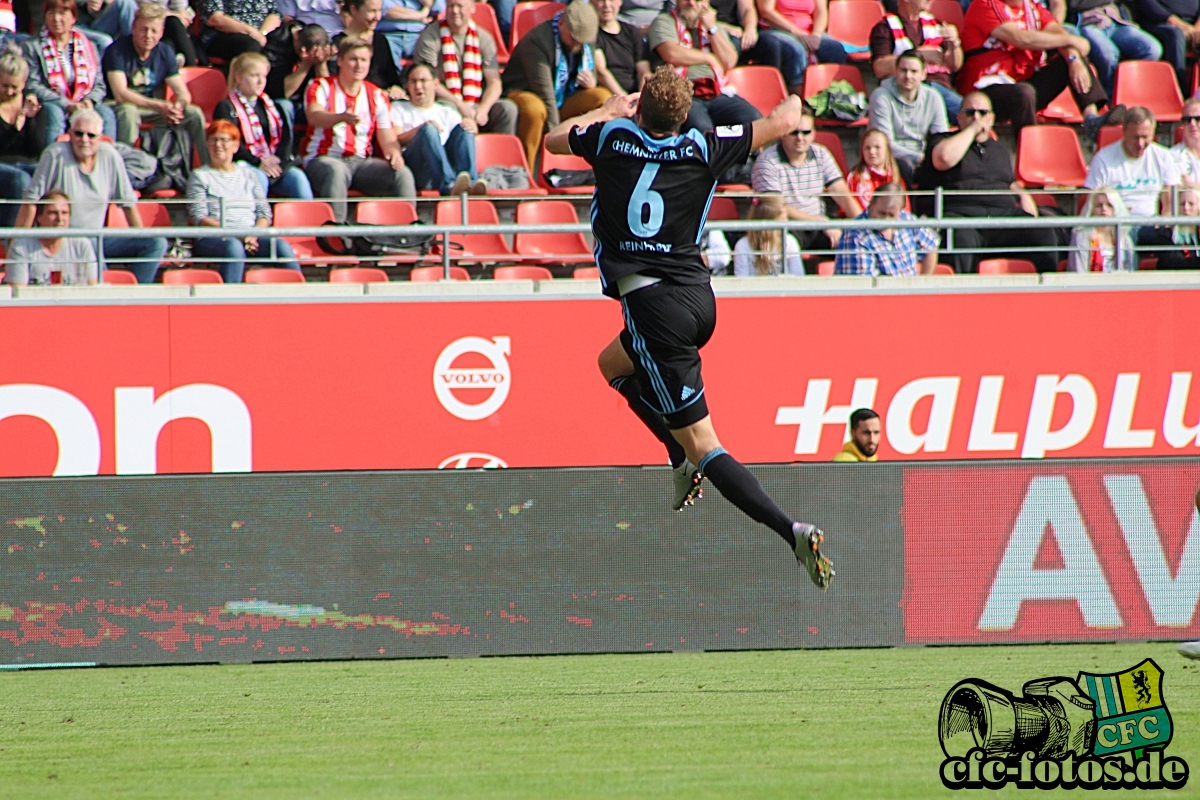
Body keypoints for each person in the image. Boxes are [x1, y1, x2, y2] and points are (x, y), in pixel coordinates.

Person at [545, 66, 834, 589]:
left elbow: (551, 140)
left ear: (639, 111)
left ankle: (789, 528)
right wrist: (771, 90)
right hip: (699, 296)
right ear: (682, 117)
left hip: (654, 307)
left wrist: (609, 108)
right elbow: (786, 117)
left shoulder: (611, 136)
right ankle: (676, 455)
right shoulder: (703, 146)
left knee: (707, 443)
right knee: (612, 363)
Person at [914, 91, 1059, 272]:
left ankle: (1044, 294)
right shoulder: (943, 140)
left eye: (982, 113)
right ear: (959, 118)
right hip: (961, 217)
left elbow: (1007, 180)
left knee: (1042, 232)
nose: (976, 117)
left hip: (1001, 218)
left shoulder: (999, 150)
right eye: (970, 113)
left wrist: (1023, 195)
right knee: (959, 238)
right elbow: (943, 159)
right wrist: (972, 130)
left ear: (991, 119)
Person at [19, 109, 168, 282]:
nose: (84, 140)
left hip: (99, 236)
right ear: (69, 134)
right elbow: (31, 202)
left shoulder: (110, 156)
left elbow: (127, 204)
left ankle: (133, 293)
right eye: (79, 134)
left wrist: (140, 235)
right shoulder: (54, 154)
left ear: (101, 138)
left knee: (156, 243)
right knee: (88, 245)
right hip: (63, 237)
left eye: (91, 135)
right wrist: (19, 243)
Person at [958, 0, 1119, 136]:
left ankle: (1091, 120)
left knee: (1070, 59)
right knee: (1023, 92)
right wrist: (1071, 41)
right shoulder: (985, 4)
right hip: (987, 89)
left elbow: (1060, 35)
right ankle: (1029, 150)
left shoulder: (1033, 8)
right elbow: (1021, 39)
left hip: (1025, 81)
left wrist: (1073, 57)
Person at [300, 37, 415, 223]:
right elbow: (314, 116)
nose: (359, 65)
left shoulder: (376, 95)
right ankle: (334, 234)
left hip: (360, 162)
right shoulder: (320, 86)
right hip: (324, 159)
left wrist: (394, 154)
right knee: (336, 172)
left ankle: (407, 234)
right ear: (340, 61)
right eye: (353, 59)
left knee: (402, 174)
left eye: (364, 60)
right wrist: (340, 118)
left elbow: (387, 137)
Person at [187, 120, 301, 283]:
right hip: (214, 237)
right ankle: (231, 300)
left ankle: (300, 296)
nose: (218, 145)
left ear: (235, 146)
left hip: (250, 236)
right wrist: (238, 235)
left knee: (280, 246)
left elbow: (264, 213)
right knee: (233, 247)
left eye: (224, 140)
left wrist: (253, 234)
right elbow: (199, 217)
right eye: (213, 140)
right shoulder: (199, 176)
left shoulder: (249, 175)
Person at [504, 1, 611, 169]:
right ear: (561, 24)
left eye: (582, 42)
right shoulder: (537, 42)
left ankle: (593, 168)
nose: (578, 45)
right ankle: (528, 173)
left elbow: (588, 72)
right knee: (535, 108)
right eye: (574, 39)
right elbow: (545, 95)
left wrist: (591, 83)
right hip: (524, 92)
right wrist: (557, 139)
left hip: (563, 97)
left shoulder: (585, 38)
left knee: (601, 97)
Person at [102, 3, 208, 161]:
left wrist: (179, 106)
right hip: (117, 105)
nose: (148, 35)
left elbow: (182, 91)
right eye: (144, 29)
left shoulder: (164, 51)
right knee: (128, 111)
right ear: (134, 28)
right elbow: (121, 94)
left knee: (193, 114)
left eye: (154, 31)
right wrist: (159, 105)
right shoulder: (117, 51)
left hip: (150, 108)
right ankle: (126, 167)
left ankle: (205, 166)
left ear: (161, 32)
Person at [751, 107, 861, 250]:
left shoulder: (821, 153)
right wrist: (822, 222)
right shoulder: (766, 162)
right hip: (786, 225)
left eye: (806, 132)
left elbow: (841, 193)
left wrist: (863, 225)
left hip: (818, 226)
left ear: (813, 134)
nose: (800, 138)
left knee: (853, 244)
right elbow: (776, 207)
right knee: (787, 246)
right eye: (794, 132)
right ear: (782, 133)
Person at [648, 0, 761, 133]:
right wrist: (709, 58)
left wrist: (712, 29)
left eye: (697, 0)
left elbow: (729, 61)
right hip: (682, 93)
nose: (691, 3)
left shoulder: (714, 27)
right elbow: (672, 54)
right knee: (701, 128)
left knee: (753, 119)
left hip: (716, 92)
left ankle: (735, 152)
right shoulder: (664, 21)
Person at [412, 0, 518, 137]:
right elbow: (429, 81)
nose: (455, 11)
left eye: (460, 6)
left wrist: (483, 109)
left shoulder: (484, 38)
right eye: (451, 6)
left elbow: (494, 82)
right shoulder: (430, 37)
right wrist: (461, 105)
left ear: (472, 8)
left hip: (476, 102)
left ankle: (502, 155)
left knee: (507, 109)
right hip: (446, 100)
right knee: (448, 110)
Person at [214, 52, 312, 199]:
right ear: (239, 77)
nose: (260, 81)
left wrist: (278, 158)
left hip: (272, 164)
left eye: (264, 76)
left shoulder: (272, 106)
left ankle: (311, 221)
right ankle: (260, 220)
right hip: (245, 164)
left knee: (297, 177)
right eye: (254, 76)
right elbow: (232, 144)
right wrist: (259, 162)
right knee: (258, 178)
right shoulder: (226, 107)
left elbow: (285, 137)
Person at [24, 0, 118, 148]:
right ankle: (53, 161)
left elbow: (99, 84)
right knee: (53, 112)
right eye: (51, 13)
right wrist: (67, 104)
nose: (56, 19)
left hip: (84, 102)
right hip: (55, 103)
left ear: (73, 18)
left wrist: (90, 101)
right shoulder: (33, 47)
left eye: (62, 13)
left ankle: (108, 161)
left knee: (105, 112)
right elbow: (33, 85)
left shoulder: (89, 46)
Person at [1084, 106, 1181, 244]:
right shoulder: (1104, 159)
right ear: (1124, 132)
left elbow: (1169, 205)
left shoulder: (1163, 156)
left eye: (1145, 137)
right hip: (1116, 224)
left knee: (1170, 238)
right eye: (1135, 137)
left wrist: (1164, 221)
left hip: (1151, 225)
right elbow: (1092, 201)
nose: (1140, 144)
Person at [392, 62, 482, 194]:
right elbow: (396, 139)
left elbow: (464, 138)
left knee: (465, 128)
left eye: (423, 81)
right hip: (417, 166)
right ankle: (448, 184)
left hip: (446, 160)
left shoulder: (447, 111)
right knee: (428, 131)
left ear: (435, 84)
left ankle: (471, 184)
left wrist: (472, 126)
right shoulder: (398, 108)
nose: (418, 86)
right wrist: (421, 129)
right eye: (413, 82)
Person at [869, 0, 963, 116]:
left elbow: (955, 65)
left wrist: (954, 44)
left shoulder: (936, 24)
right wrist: (919, 55)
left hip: (939, 86)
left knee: (974, 113)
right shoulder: (885, 27)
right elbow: (879, 68)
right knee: (969, 115)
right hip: (907, 88)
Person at [867, 51, 948, 183]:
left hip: (922, 157)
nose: (908, 76)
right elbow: (884, 144)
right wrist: (918, 157)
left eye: (914, 71)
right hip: (892, 158)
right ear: (895, 72)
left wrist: (929, 158)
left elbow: (940, 138)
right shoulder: (881, 96)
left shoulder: (934, 97)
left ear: (923, 75)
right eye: (903, 70)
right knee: (903, 166)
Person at [834, 183, 938, 275]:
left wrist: (923, 282)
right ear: (871, 204)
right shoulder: (856, 236)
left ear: (900, 212)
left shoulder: (907, 220)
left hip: (909, 294)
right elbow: (865, 288)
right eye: (882, 213)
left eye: (891, 215)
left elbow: (931, 245)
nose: (886, 219)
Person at [1067, 0, 1162, 96]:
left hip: (1116, 22)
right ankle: (1110, 97)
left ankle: (1128, 92)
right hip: (1089, 24)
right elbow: (1074, 4)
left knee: (1152, 49)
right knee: (1108, 54)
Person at [4, 189, 98, 284]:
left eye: (64, 213)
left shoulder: (82, 245)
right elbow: (17, 292)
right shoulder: (21, 246)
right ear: (39, 217)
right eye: (53, 213)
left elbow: (92, 289)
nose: (60, 219)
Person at [0, 44, 46, 228]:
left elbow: (36, 149)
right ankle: (13, 237)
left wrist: (30, 119)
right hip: (3, 163)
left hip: (26, 163)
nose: (9, 92)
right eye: (4, 86)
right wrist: (15, 129)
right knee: (20, 180)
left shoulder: (34, 105)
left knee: (42, 174)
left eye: (15, 87)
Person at [265, 22, 333, 124]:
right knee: (285, 105)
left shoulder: (326, 49)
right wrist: (306, 64)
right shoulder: (277, 43)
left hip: (309, 103)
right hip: (286, 104)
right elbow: (284, 93)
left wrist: (321, 63)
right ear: (297, 38)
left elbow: (328, 95)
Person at [755, 0, 847, 72]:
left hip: (808, 31)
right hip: (778, 29)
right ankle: (797, 91)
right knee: (796, 49)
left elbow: (821, 12)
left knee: (834, 48)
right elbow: (766, 11)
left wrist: (816, 34)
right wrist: (797, 33)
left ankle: (832, 91)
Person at [334, 0, 403, 95]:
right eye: (372, 11)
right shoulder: (338, 43)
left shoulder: (380, 40)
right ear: (354, 9)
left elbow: (391, 78)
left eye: (379, 11)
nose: (377, 17)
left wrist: (396, 89)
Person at [732, 193, 804, 275]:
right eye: (782, 220)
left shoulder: (790, 241)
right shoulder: (743, 246)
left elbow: (798, 276)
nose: (786, 223)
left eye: (786, 218)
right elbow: (741, 280)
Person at [1067, 185, 1136, 271]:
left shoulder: (1124, 239)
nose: (1104, 208)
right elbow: (1079, 272)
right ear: (1091, 210)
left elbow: (1132, 272)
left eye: (1109, 205)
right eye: (1099, 205)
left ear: (1116, 209)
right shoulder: (1082, 237)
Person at [592, 0, 650, 96]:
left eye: (611, 0)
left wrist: (640, 99)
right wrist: (624, 98)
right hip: (609, 93)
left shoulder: (632, 32)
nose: (607, 5)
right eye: (601, 0)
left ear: (620, 2)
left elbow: (644, 71)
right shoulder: (593, 34)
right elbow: (601, 72)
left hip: (634, 93)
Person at [1134, 0, 1196, 90]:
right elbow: (1147, 5)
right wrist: (1181, 25)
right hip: (1159, 23)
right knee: (1176, 35)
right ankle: (1179, 91)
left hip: (1192, 26)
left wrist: (1196, 29)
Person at [198, 0, 282, 62]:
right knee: (250, 45)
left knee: (282, 45)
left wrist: (262, 33)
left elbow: (275, 14)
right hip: (223, 34)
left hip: (261, 32)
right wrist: (251, 32)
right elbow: (215, 19)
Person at [1141, 186, 1200, 268]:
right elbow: (1175, 263)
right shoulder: (1166, 234)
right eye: (1182, 204)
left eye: (1191, 204)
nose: (1186, 208)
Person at [846, 128, 903, 208]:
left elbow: (904, 210)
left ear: (887, 150)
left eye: (877, 147)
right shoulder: (855, 178)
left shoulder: (896, 177)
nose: (872, 151)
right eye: (867, 148)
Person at [1172, 97, 1200, 182]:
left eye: (1198, 119)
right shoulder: (1174, 155)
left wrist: (1191, 185)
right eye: (1187, 120)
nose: (1192, 124)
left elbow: (1188, 185)